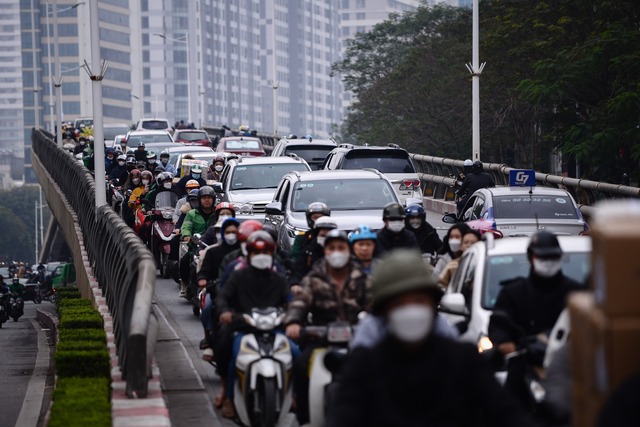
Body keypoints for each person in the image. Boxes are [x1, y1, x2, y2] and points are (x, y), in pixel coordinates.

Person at [326, 249, 534, 427]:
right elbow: (344, 416)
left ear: (432, 304)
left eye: (419, 300)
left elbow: (506, 413)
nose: (411, 310)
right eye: (399, 304)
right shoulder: (364, 366)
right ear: (384, 311)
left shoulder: (463, 359)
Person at [285, 229, 371, 425]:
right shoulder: (315, 278)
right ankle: (304, 417)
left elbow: (375, 306)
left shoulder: (361, 278)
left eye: (341, 248)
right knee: (300, 366)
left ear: (348, 251)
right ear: (325, 251)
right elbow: (300, 302)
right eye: (332, 248)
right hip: (320, 337)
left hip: (356, 339)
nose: (336, 252)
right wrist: (293, 322)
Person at [488, 231, 584, 403]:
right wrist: (504, 342)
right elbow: (498, 324)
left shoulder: (576, 294)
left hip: (566, 371)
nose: (548, 262)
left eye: (553, 257)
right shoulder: (512, 293)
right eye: (542, 256)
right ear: (531, 257)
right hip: (523, 367)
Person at [215, 231, 292, 418]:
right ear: (248, 254)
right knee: (233, 355)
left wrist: (293, 316)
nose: (261, 257)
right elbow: (223, 297)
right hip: (244, 326)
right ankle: (230, 397)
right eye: (256, 253)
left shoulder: (279, 279)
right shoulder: (238, 275)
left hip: (274, 327)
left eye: (265, 252)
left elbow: (291, 301)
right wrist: (225, 312)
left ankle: (295, 395)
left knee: (296, 352)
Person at [196, 217, 241, 354]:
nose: (231, 234)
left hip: (240, 291)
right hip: (216, 289)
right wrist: (203, 279)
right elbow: (204, 271)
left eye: (234, 231)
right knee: (208, 307)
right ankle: (208, 339)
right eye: (228, 232)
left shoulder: (244, 251)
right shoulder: (212, 252)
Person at [179, 186, 218, 297]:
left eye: (209, 198)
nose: (207, 200)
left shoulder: (217, 213)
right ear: (199, 199)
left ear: (213, 199)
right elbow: (186, 226)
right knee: (185, 262)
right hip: (197, 246)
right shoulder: (192, 213)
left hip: (215, 245)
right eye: (204, 198)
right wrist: (187, 235)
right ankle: (186, 284)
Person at [289, 216, 338, 288]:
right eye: (322, 235)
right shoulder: (308, 253)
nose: (325, 239)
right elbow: (297, 273)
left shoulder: (341, 253)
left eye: (328, 235)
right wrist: (295, 284)